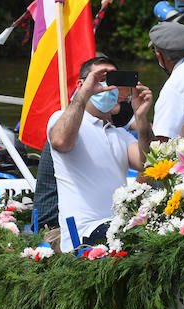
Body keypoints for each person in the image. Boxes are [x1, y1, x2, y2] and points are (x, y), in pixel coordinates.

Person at [45, 56, 153, 250]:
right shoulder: (61, 118)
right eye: (99, 78)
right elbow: (60, 141)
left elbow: (146, 163)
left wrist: (142, 117)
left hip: (118, 226)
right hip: (83, 233)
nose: (105, 86)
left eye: (111, 80)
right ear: (81, 84)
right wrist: (84, 93)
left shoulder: (120, 133)